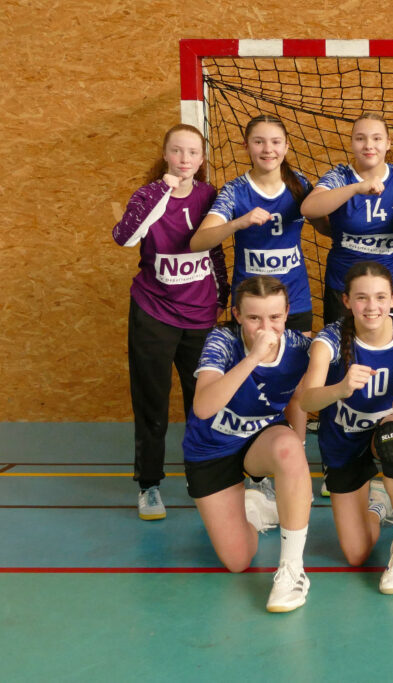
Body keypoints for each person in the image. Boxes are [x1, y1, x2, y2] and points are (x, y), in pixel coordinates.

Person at [112, 123, 228, 521]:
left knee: (204, 402)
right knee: (152, 402)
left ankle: (206, 477)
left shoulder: (210, 196)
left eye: (192, 152)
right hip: (154, 313)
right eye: (177, 151)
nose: (184, 159)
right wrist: (164, 190)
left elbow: (214, 251)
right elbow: (124, 237)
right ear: (165, 155)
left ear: (202, 158)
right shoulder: (147, 195)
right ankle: (149, 485)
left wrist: (222, 296)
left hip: (200, 316)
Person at [182, 275, 312, 612]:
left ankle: (292, 570)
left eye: (275, 317)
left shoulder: (299, 347)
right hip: (211, 449)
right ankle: (254, 509)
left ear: (287, 314)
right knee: (237, 561)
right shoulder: (222, 341)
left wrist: (296, 454)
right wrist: (253, 357)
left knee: (288, 449)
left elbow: (298, 398)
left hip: (261, 439)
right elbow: (203, 406)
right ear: (238, 315)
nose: (266, 328)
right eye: (254, 318)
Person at [298, 261, 393, 594]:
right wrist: (340, 388)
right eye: (362, 297)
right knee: (356, 554)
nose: (372, 306)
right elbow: (307, 400)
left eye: (380, 297)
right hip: (343, 442)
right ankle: (379, 504)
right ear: (347, 301)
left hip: (386, 429)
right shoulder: (329, 340)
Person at [191, 115, 323, 333]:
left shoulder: (300, 185)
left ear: (286, 146)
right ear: (246, 146)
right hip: (250, 304)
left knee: (299, 356)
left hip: (294, 301)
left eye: (276, 142)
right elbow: (198, 242)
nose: (268, 149)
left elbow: (326, 228)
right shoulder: (235, 191)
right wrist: (238, 223)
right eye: (259, 142)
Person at [301, 113, 393, 322]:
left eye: (377, 138)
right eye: (360, 138)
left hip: (392, 285)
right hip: (344, 286)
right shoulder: (340, 176)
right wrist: (356, 188)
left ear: (388, 143)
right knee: (342, 342)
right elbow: (309, 208)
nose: (369, 145)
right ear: (352, 143)